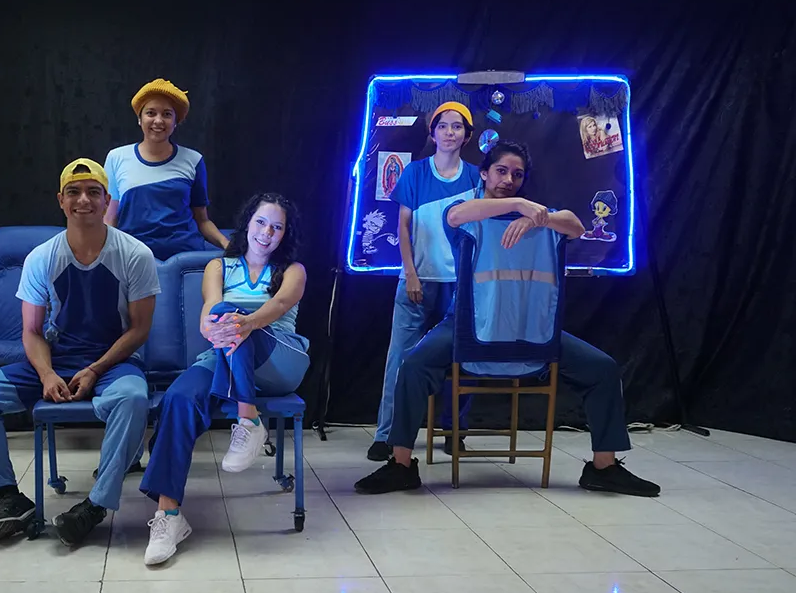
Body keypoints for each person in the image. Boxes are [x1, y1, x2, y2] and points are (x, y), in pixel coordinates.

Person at [354, 140, 660, 498]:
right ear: (484, 174)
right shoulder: (467, 213)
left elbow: (575, 226)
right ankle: (401, 466)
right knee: (413, 366)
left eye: (517, 175)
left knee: (602, 369)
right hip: (467, 326)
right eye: (501, 171)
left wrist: (537, 219)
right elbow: (455, 216)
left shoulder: (537, 217)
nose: (509, 179)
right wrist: (518, 205)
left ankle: (603, 469)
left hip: (529, 331)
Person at [0, 158, 159, 547]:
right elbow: (32, 331)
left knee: (133, 398)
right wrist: (47, 374)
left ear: (107, 201)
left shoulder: (135, 254)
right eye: (74, 192)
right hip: (58, 358)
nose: (84, 200)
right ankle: (8, 498)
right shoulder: (42, 257)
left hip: (113, 362)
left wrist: (96, 369)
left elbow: (139, 329)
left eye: (93, 192)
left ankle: (96, 505)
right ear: (60, 200)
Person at [138, 192, 309, 565]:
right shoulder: (218, 266)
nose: (267, 232)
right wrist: (215, 325)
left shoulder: (293, 271)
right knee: (179, 398)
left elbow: (278, 306)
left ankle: (248, 418)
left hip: (278, 360)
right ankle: (169, 516)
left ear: (285, 234)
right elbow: (209, 311)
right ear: (247, 223)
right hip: (224, 356)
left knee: (230, 315)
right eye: (261, 222)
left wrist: (243, 323)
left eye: (277, 227)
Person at [369, 102, 479, 462]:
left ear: (467, 135)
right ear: (432, 133)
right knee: (399, 359)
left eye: (457, 126)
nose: (449, 132)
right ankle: (387, 434)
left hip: (461, 284)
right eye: (443, 126)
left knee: (463, 358)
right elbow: (403, 227)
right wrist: (411, 273)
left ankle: (454, 431)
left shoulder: (476, 178)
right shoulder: (415, 173)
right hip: (417, 281)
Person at [103, 78, 229, 260]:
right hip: (133, 259)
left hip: (185, 259)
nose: (158, 120)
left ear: (176, 121)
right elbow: (109, 219)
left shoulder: (194, 160)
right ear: (139, 119)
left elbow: (202, 220)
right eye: (150, 113)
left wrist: (227, 244)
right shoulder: (116, 158)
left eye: (167, 114)